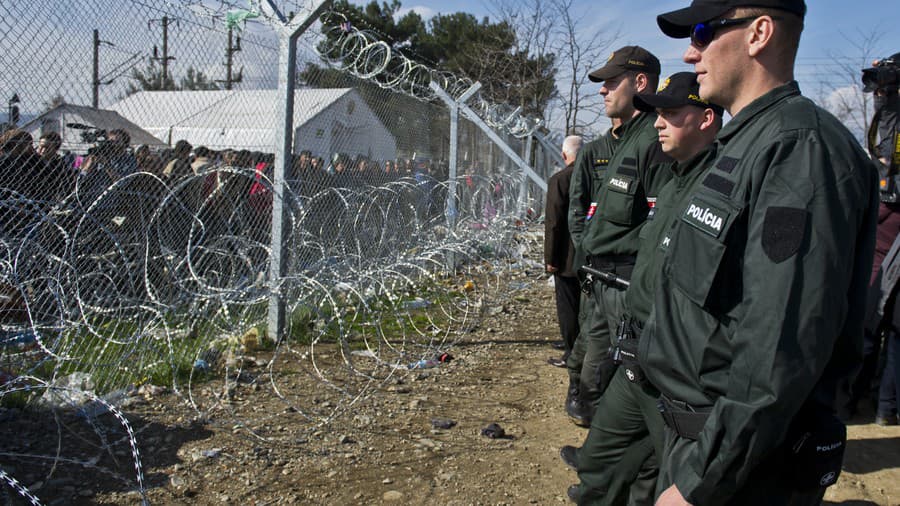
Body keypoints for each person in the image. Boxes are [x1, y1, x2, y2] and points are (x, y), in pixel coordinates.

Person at [642, 2, 879, 505]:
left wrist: (700, 480)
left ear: (759, 34)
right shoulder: (743, 143)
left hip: (741, 467)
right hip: (702, 440)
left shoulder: (799, 150)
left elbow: (781, 341)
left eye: (704, 33)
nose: (690, 52)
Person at [562, 72, 723, 505]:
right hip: (636, 351)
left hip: (674, 370)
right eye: (656, 113)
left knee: (661, 477)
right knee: (597, 463)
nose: (657, 122)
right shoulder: (673, 178)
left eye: (670, 113)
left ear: (706, 119)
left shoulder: (720, 187)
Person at [565, 46, 673, 427]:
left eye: (612, 81)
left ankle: (625, 469)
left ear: (640, 83)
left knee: (631, 375)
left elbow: (660, 222)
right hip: (601, 277)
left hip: (626, 281)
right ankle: (601, 455)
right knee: (592, 363)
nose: (602, 90)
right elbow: (585, 214)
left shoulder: (653, 140)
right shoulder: (621, 140)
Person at [545, 135, 584, 368]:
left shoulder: (560, 179)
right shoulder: (592, 177)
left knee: (568, 306)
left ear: (563, 155)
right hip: (587, 253)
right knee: (583, 306)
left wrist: (551, 258)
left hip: (565, 257)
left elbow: (554, 222)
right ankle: (576, 344)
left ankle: (571, 352)